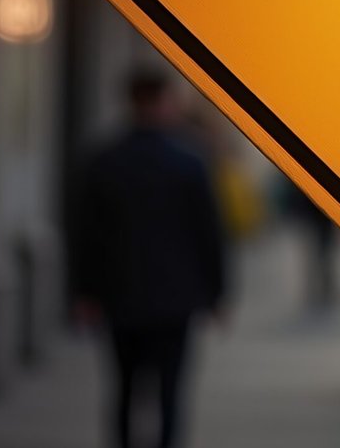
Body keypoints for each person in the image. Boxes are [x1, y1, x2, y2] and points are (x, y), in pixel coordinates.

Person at [73, 71, 230, 448]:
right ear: (163, 102)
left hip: (119, 294)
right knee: (170, 391)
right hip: (176, 299)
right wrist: (218, 293)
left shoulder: (104, 160)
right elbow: (209, 234)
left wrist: (84, 293)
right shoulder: (191, 162)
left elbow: (84, 235)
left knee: (124, 388)